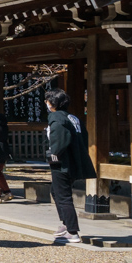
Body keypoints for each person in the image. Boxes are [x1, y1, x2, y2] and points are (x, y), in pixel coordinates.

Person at [44, 89, 95, 245]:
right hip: (75, 159)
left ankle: (72, 231)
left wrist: (53, 153)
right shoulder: (72, 117)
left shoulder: (56, 117)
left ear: (52, 103)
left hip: (62, 162)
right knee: (56, 191)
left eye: (47, 101)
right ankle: (65, 223)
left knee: (63, 196)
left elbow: (59, 137)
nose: (46, 104)